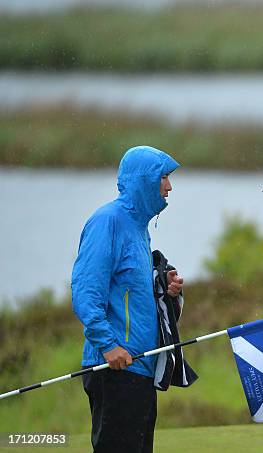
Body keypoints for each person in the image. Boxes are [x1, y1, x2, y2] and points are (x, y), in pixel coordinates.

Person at [71, 145, 184, 453]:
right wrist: (107, 344)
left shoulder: (139, 228)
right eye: (164, 177)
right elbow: (85, 290)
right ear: (145, 180)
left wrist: (165, 289)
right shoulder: (108, 221)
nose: (169, 186)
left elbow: (128, 290)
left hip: (140, 368)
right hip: (115, 368)